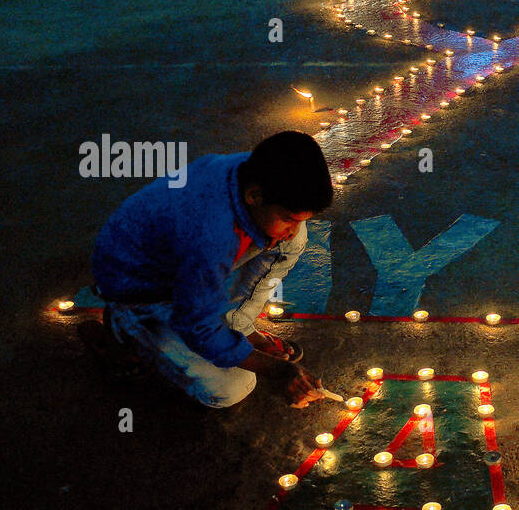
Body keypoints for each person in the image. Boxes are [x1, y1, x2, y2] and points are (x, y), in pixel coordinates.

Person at [84, 131, 333, 409]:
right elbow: (197, 325)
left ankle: (236, 322)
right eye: (289, 219)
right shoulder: (209, 234)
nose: (293, 229)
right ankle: (125, 329)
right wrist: (278, 371)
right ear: (254, 196)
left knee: (291, 241)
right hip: (138, 290)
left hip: (181, 264)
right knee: (233, 387)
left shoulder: (252, 172)